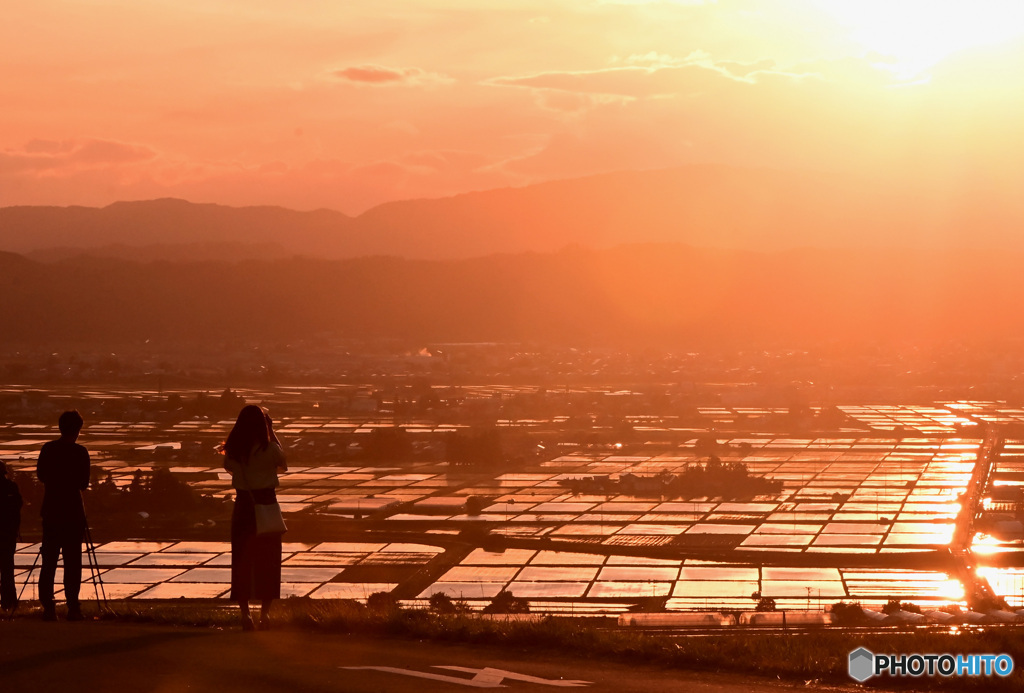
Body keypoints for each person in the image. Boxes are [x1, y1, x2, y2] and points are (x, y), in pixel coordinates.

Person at [224, 405, 287, 631]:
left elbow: (229, 467)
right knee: (268, 561)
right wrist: (272, 429)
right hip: (267, 505)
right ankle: (265, 616)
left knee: (242, 560)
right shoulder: (269, 448)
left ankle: (245, 615)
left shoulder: (233, 450)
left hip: (243, 507)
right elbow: (283, 461)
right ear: (263, 424)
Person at [37, 410, 91, 621]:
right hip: (73, 513)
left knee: (48, 561)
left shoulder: (48, 449)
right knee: (72, 562)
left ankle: (48, 608)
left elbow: (41, 475)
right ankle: (73, 607)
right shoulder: (80, 453)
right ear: (78, 429)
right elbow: (83, 484)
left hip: (51, 511)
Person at [0, 461, 22, 614]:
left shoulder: (11, 487)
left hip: (7, 533)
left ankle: (9, 602)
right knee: (7, 569)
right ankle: (9, 602)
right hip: (7, 534)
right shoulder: (11, 487)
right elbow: (17, 508)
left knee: (7, 569)